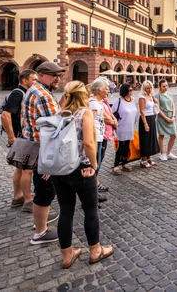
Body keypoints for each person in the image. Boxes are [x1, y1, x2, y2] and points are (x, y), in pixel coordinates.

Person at [51, 81, 114, 269]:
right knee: (90, 210)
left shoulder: (59, 114)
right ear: (83, 94)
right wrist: (94, 167)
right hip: (81, 170)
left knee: (66, 212)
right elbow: (88, 144)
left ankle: (67, 255)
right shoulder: (84, 113)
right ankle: (95, 250)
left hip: (60, 170)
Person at [21, 61, 64, 245]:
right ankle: (40, 232)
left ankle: (41, 221)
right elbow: (56, 126)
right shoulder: (43, 95)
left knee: (43, 189)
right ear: (42, 74)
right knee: (45, 191)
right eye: (54, 75)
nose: (58, 78)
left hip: (35, 147)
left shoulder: (36, 90)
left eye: (59, 75)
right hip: (43, 151)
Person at [1, 69, 37, 211]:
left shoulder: (24, 92)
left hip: (21, 136)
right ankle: (27, 200)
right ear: (24, 80)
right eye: (34, 80)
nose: (36, 82)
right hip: (20, 137)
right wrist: (11, 137)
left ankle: (18, 197)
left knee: (20, 168)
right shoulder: (18, 93)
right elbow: (5, 115)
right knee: (26, 169)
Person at [89, 78, 110, 197]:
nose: (108, 91)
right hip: (95, 138)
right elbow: (89, 123)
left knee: (97, 163)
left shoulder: (98, 102)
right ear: (99, 90)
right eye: (106, 89)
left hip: (99, 137)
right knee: (94, 165)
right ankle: (92, 193)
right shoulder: (93, 103)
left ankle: (94, 189)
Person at [111, 83, 138, 174]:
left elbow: (135, 112)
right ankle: (116, 165)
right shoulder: (118, 101)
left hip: (130, 126)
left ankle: (125, 162)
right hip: (121, 127)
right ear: (124, 90)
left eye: (131, 90)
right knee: (121, 146)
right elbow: (112, 113)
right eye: (129, 90)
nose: (131, 92)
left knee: (127, 145)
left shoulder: (133, 100)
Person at [138, 80, 160, 168]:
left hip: (152, 118)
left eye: (150, 87)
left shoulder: (151, 96)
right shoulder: (142, 97)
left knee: (151, 139)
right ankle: (143, 159)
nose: (149, 89)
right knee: (145, 139)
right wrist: (145, 124)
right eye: (147, 88)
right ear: (144, 88)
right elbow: (142, 111)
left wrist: (156, 101)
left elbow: (157, 106)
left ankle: (148, 157)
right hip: (145, 118)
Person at [156, 79, 177, 161]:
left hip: (171, 116)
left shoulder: (170, 94)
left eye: (166, 86)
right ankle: (162, 153)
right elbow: (157, 109)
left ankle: (168, 153)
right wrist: (166, 118)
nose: (166, 88)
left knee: (174, 135)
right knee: (161, 135)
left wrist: (173, 116)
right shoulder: (157, 96)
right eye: (163, 86)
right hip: (162, 117)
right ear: (160, 87)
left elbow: (173, 106)